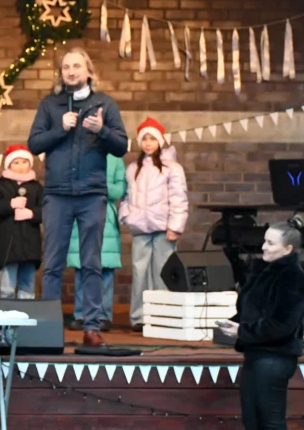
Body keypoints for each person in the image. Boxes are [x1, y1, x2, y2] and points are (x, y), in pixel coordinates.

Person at [27, 47, 128, 348]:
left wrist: (102, 130)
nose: (71, 71)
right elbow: (34, 143)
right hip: (57, 195)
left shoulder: (104, 104)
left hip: (91, 195)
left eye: (77, 66)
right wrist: (61, 128)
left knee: (92, 263)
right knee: (53, 264)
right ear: (61, 73)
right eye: (66, 67)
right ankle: (49, 330)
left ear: (88, 71)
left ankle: (92, 327)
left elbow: (122, 145)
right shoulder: (50, 105)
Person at [218, 218, 304, 430]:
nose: (263, 247)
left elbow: (283, 325)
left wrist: (243, 331)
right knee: (254, 428)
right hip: (255, 355)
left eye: (271, 243)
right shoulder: (261, 272)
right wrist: (233, 325)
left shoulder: (293, 278)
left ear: (288, 249)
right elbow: (250, 312)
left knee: (273, 428)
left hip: (276, 359)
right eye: (264, 241)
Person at [119, 117, 189, 332]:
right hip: (140, 228)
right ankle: (139, 317)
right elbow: (127, 196)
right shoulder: (133, 168)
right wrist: (127, 215)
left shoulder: (172, 168)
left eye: (152, 138)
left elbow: (179, 198)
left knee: (162, 272)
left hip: (163, 229)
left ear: (160, 141)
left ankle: (162, 315)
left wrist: (175, 226)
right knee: (139, 272)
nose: (148, 143)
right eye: (144, 139)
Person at [67, 153, 126, 332]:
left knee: (105, 269)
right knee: (82, 268)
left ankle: (103, 315)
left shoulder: (115, 159)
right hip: (81, 214)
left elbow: (119, 190)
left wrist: (98, 185)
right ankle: (81, 315)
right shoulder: (77, 155)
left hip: (106, 216)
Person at [0, 145, 44, 299]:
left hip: (30, 245)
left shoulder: (37, 188)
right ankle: (7, 314)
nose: (20, 166)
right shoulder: (0, 187)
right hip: (9, 246)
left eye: (24, 162)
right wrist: (10, 204)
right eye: (16, 163)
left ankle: (26, 313)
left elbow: (47, 210)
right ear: (9, 165)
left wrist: (32, 213)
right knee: (7, 288)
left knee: (28, 287)